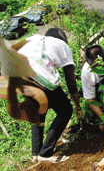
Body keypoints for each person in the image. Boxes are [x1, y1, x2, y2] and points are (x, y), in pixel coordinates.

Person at [6, 28, 82, 163]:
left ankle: (36, 153)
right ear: (63, 40)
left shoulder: (35, 39)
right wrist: (77, 106)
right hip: (37, 74)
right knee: (65, 110)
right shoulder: (62, 45)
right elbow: (70, 80)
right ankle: (45, 153)